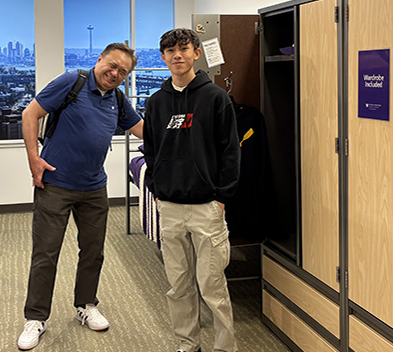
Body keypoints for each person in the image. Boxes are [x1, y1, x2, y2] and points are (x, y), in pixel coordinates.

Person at [17, 43, 144, 351]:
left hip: (94, 188)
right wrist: (34, 159)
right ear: (99, 59)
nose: (114, 74)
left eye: (122, 72)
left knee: (93, 251)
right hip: (55, 185)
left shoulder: (118, 99)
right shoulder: (71, 82)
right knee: (46, 253)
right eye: (111, 65)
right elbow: (30, 114)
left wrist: (180, 134)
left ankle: (86, 305)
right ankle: (35, 318)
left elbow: (142, 129)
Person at [143, 28, 240, 352]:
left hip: (206, 207)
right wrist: (157, 187)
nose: (177, 56)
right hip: (170, 206)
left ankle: (224, 347)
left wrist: (222, 197)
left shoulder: (215, 98)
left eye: (183, 49)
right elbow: (152, 149)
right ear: (163, 58)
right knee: (178, 285)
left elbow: (230, 151)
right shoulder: (155, 102)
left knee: (212, 286)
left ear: (196, 53)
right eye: (170, 51)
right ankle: (188, 344)